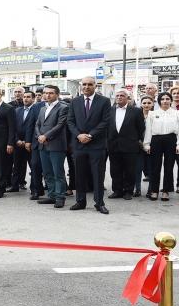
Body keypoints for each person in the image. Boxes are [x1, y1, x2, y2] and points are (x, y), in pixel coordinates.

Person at [66, 77, 112, 213]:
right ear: (81, 86)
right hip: (79, 144)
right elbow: (70, 121)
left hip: (96, 145)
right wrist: (79, 135)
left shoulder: (104, 101)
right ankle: (80, 201)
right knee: (79, 175)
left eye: (89, 84)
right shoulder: (75, 101)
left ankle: (99, 203)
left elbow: (105, 121)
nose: (86, 87)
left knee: (98, 175)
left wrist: (90, 135)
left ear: (95, 86)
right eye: (84, 84)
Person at [143, 91, 179, 202]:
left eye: (167, 99)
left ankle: (165, 191)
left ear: (171, 101)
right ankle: (154, 191)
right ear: (159, 101)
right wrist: (146, 144)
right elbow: (148, 131)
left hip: (171, 139)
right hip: (156, 140)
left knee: (169, 166)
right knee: (155, 167)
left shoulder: (176, 113)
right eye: (162, 99)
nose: (165, 101)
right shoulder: (152, 114)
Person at [106, 89, 146, 201]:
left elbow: (141, 128)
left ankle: (128, 191)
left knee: (129, 170)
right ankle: (117, 190)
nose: (119, 97)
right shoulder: (110, 110)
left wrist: (135, 140)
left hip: (130, 145)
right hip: (113, 145)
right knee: (115, 169)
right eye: (117, 95)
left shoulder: (136, 111)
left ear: (127, 97)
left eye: (122, 95)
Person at [34, 85, 69, 208]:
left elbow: (60, 125)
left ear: (57, 94)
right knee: (47, 172)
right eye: (45, 93)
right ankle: (52, 195)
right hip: (43, 145)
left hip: (56, 145)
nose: (47, 95)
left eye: (51, 93)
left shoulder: (63, 108)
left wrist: (46, 136)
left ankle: (60, 197)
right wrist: (39, 136)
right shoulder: (43, 108)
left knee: (58, 172)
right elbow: (37, 124)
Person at [11, 91, 38, 194]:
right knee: (17, 165)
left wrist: (28, 141)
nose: (25, 99)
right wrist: (17, 140)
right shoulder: (17, 111)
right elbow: (14, 127)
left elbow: (35, 127)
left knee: (33, 167)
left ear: (33, 99)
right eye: (24, 97)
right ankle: (15, 186)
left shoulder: (37, 110)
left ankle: (35, 189)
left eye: (28, 97)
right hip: (18, 143)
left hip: (31, 144)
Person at [135, 96, 155, 197]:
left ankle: (150, 190)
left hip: (152, 146)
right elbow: (133, 130)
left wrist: (149, 144)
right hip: (138, 145)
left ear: (152, 104)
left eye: (149, 103)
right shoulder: (136, 115)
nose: (146, 105)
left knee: (152, 169)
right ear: (141, 104)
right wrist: (140, 143)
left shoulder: (155, 115)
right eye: (144, 103)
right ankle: (137, 189)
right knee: (138, 168)